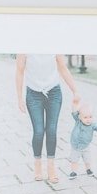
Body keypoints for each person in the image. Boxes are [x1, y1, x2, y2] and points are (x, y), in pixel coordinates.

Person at [15, 54, 80, 185]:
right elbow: (19, 71)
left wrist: (75, 90)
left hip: (54, 92)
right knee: (38, 131)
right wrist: (19, 98)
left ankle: (51, 167)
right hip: (33, 94)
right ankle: (38, 164)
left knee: (51, 130)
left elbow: (62, 68)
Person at [67, 97, 97, 179]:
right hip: (75, 145)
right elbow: (74, 111)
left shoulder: (92, 124)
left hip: (86, 146)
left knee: (87, 159)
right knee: (74, 160)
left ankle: (88, 169)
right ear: (80, 117)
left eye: (90, 117)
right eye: (85, 117)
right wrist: (74, 103)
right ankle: (73, 172)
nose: (88, 119)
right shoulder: (78, 121)